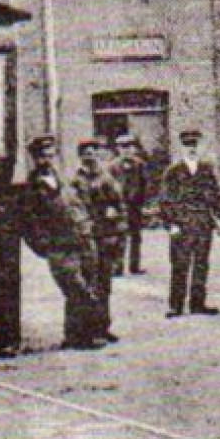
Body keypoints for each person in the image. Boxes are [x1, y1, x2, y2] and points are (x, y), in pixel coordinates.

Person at [18, 135, 109, 348]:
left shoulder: (62, 179)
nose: (47, 161)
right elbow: (27, 222)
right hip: (59, 247)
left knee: (84, 287)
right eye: (42, 157)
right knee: (77, 289)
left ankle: (75, 337)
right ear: (35, 158)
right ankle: (86, 336)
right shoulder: (31, 186)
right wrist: (44, 246)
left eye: (50, 156)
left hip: (80, 240)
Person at [157, 129, 220, 317]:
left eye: (194, 145)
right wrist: (171, 224)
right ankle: (175, 305)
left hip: (202, 223)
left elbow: (215, 194)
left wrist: (215, 217)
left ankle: (198, 303)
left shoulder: (206, 169)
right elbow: (165, 200)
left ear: (200, 147)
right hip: (182, 224)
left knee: (201, 263)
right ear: (181, 147)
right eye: (187, 145)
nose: (191, 148)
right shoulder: (173, 171)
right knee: (180, 264)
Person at [71, 136, 127, 344]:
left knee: (104, 284)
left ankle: (103, 327)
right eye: (86, 152)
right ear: (80, 157)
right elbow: (74, 210)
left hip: (106, 238)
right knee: (87, 284)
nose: (90, 156)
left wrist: (119, 231)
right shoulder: (75, 182)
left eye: (93, 152)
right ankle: (86, 331)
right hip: (86, 239)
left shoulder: (107, 179)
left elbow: (120, 206)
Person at [112, 134, 149, 276]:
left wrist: (143, 202)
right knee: (119, 237)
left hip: (135, 206)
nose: (126, 150)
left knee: (136, 236)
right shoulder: (112, 166)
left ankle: (135, 265)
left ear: (134, 148)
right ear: (118, 149)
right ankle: (117, 266)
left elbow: (145, 184)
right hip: (120, 206)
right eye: (123, 147)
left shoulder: (140, 165)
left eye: (129, 147)